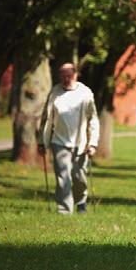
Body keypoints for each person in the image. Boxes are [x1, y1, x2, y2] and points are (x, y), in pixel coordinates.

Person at [38, 63, 100, 214]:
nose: (66, 79)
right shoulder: (55, 92)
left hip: (81, 143)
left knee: (79, 177)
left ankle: (81, 202)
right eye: (63, 75)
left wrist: (92, 143)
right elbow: (46, 118)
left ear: (75, 75)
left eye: (69, 75)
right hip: (59, 141)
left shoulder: (85, 93)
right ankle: (64, 210)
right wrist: (42, 141)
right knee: (63, 177)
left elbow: (93, 119)